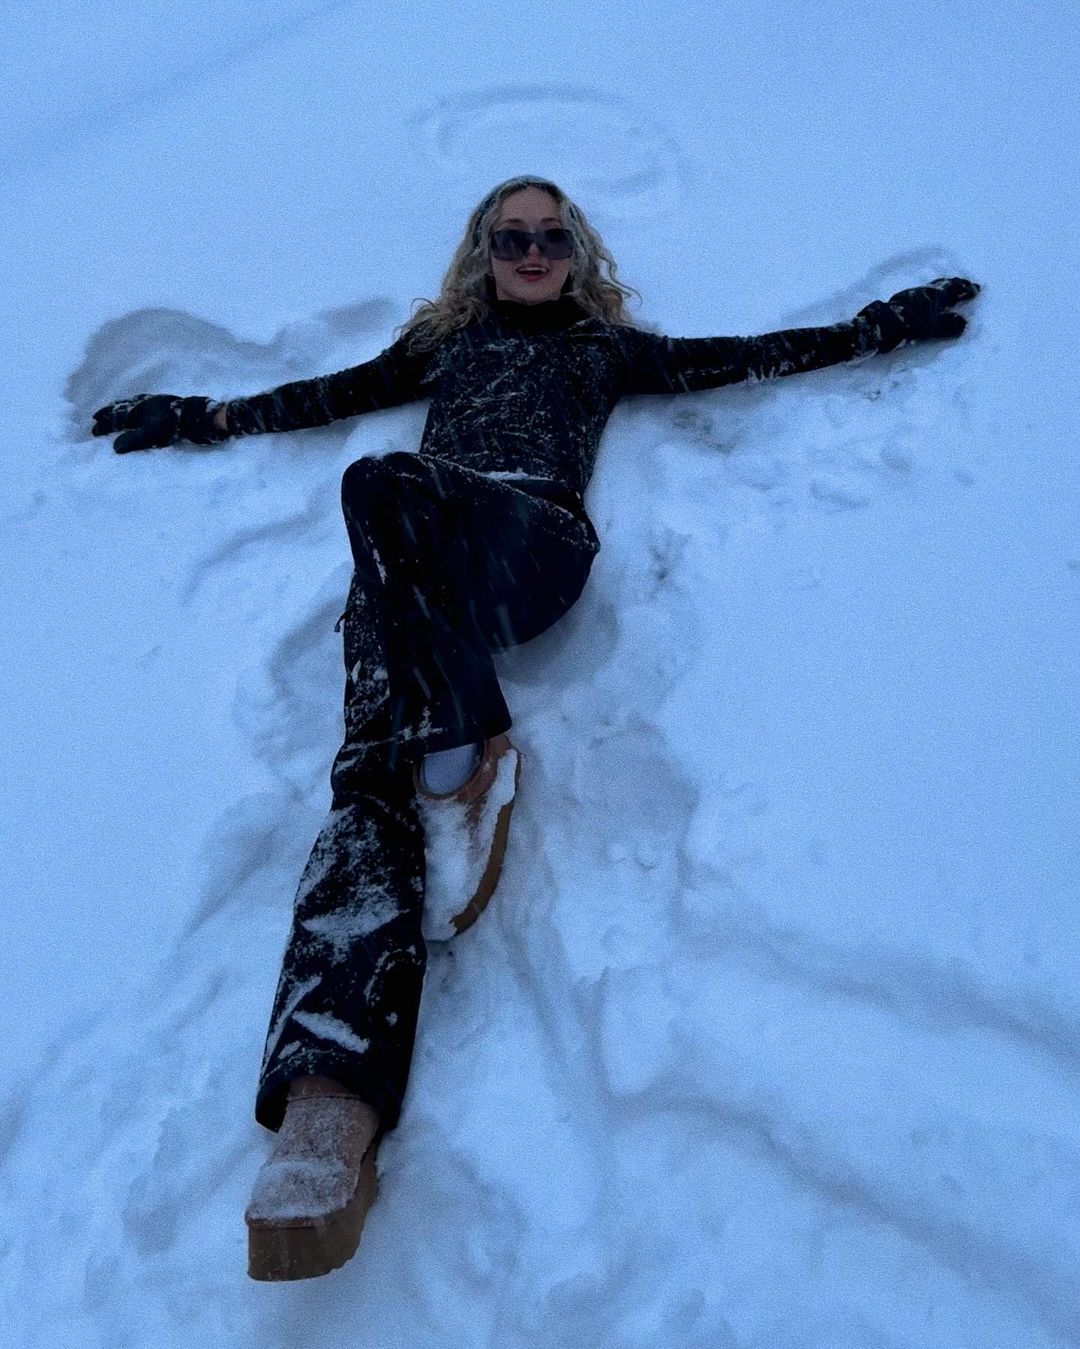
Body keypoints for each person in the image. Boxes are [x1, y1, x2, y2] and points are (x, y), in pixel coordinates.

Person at [90, 175, 979, 1280]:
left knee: (381, 485)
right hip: (410, 566)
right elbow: (324, 393)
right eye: (511, 238)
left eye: (551, 238)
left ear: (575, 253)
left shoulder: (601, 350)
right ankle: (327, 1104)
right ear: (483, 251)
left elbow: (748, 355)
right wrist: (203, 416)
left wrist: (875, 328)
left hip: (528, 547)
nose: (532, 253)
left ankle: (462, 748)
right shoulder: (445, 348)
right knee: (363, 778)